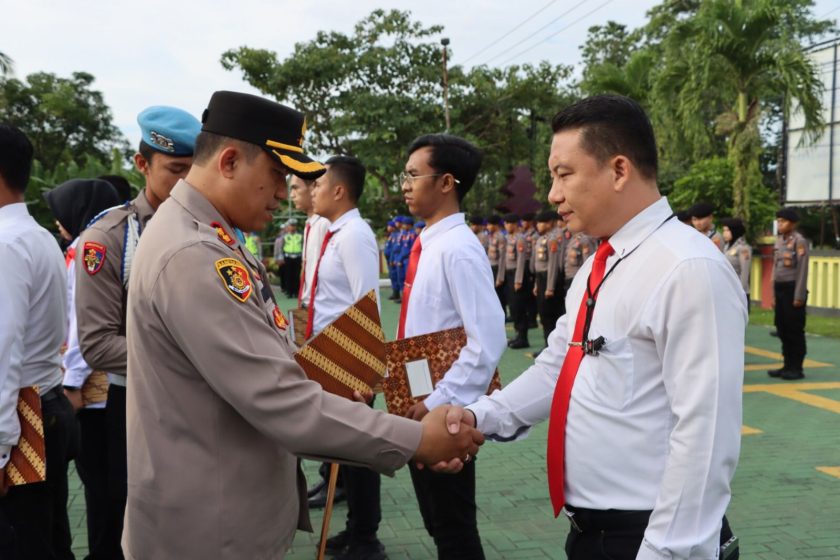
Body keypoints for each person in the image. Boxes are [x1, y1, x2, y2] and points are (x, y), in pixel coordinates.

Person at [123, 90, 483, 559]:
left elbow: (249, 370)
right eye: (277, 175)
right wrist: (418, 439)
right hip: (210, 531)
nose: (284, 193)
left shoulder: (208, 235)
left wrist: (324, 385)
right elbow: (278, 401)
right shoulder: (194, 253)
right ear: (229, 161)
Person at [441, 95, 744, 560]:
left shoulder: (688, 268)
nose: (552, 194)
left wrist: (665, 551)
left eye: (564, 175)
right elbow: (559, 367)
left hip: (651, 535)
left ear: (619, 170)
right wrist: (482, 416)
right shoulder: (599, 264)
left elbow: (706, 433)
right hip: (592, 534)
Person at [74, 105, 201, 559]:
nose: (187, 183)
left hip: (205, 408)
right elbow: (96, 343)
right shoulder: (110, 238)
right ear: (141, 164)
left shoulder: (218, 230)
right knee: (126, 527)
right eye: (175, 170)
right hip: (137, 409)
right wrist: (195, 359)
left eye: (194, 170)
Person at [399, 134, 506, 560]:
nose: (405, 184)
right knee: (440, 522)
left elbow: (488, 339)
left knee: (454, 528)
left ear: (446, 183)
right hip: (421, 398)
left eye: (413, 174)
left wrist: (438, 402)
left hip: (445, 411)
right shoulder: (430, 243)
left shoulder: (458, 249)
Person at [307, 155, 390, 558]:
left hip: (348, 362)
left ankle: (366, 536)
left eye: (318, 185)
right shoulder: (334, 233)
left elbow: (365, 303)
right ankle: (356, 529)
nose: (312, 191)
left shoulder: (355, 234)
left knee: (359, 455)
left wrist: (363, 372)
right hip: (330, 357)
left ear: (339, 191)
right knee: (346, 452)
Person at [0, 124, 76, 560]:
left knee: (24, 541)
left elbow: (4, 352)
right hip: (43, 404)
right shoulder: (38, 236)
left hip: (22, 415)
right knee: (48, 537)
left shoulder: (8, 244)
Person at [44, 178, 122, 559]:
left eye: (60, 214)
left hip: (92, 391)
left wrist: (72, 383)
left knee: (100, 481)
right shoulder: (106, 243)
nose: (58, 223)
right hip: (103, 385)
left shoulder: (86, 249)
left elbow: (83, 327)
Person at [768, 208, 809, 381]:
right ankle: (787, 365)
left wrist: (799, 295)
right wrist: (773, 294)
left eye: (783, 221)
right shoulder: (779, 241)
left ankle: (796, 368)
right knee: (782, 328)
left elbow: (802, 270)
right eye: (778, 220)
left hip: (793, 289)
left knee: (794, 330)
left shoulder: (800, 241)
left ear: (792, 223)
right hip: (780, 289)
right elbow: (775, 269)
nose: (780, 224)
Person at [531, 211, 563, 349]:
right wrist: (536, 284)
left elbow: (553, 265)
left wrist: (550, 287)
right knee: (543, 314)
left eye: (541, 222)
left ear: (549, 223)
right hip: (540, 279)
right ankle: (546, 346)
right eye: (537, 222)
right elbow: (538, 266)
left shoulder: (552, 239)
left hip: (549, 280)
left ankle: (552, 348)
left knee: (550, 315)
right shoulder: (541, 239)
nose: (538, 225)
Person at [497, 214, 530, 348]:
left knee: (519, 307)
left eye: (509, 223)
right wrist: (501, 277)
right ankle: (518, 336)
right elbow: (503, 259)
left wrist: (518, 280)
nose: (507, 226)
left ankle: (523, 338)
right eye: (505, 223)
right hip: (509, 275)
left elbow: (521, 261)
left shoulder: (520, 239)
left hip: (517, 275)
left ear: (515, 224)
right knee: (513, 307)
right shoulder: (507, 238)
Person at [722, 217, 751, 310]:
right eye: (724, 230)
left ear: (734, 231)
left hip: (738, 290)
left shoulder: (743, 248)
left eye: (727, 230)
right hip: (728, 288)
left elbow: (745, 272)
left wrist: (741, 291)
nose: (724, 233)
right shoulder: (727, 247)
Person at [485, 215, 507, 317]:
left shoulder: (501, 237)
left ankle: (502, 315)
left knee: (500, 295)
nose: (488, 227)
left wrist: (500, 277)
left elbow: (502, 258)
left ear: (495, 225)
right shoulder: (491, 236)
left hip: (497, 268)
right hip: (491, 267)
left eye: (489, 224)